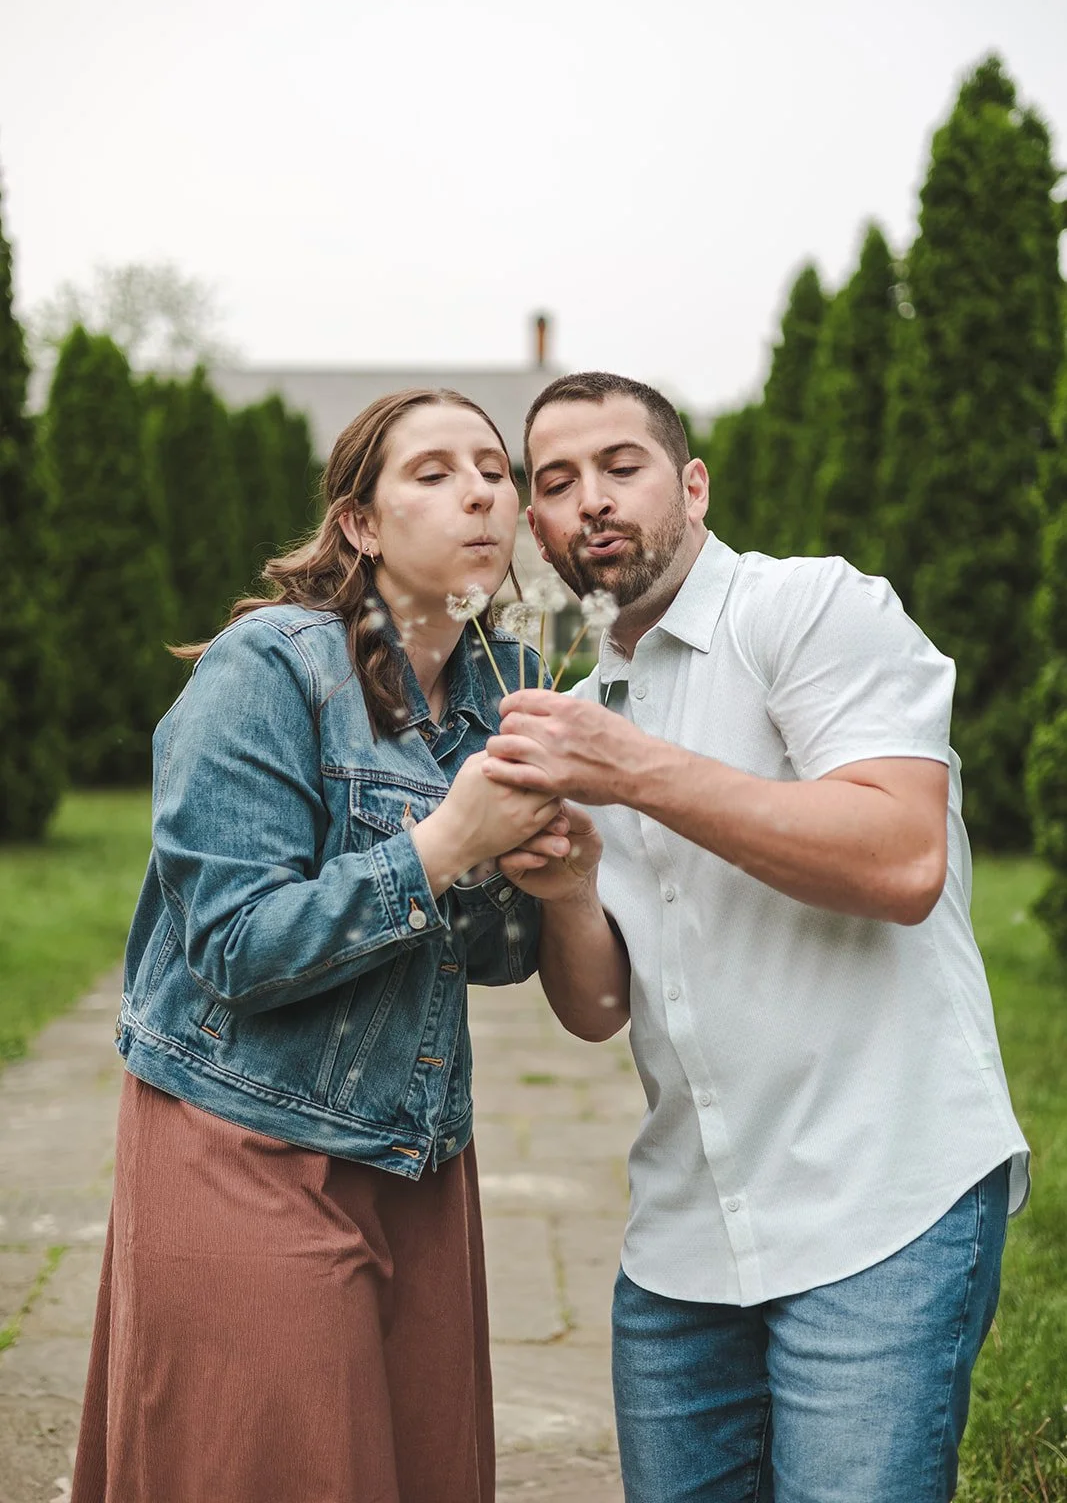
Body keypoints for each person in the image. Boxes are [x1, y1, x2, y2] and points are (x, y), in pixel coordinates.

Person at [483, 371, 1030, 1503]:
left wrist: (629, 771)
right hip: (683, 1237)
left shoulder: (810, 609)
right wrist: (572, 888)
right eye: (557, 481)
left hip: (881, 1201)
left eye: (620, 467)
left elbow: (898, 860)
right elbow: (595, 1008)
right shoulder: (590, 705)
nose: (591, 499)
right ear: (536, 528)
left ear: (690, 483)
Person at [70, 387, 624, 1503]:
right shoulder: (268, 669)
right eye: (432, 472)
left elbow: (490, 955)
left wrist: (554, 881)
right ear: (359, 524)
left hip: (416, 1155)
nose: (480, 489)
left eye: (491, 468)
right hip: (244, 1139)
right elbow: (231, 944)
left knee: (413, 1469)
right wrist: (442, 843)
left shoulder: (501, 688)